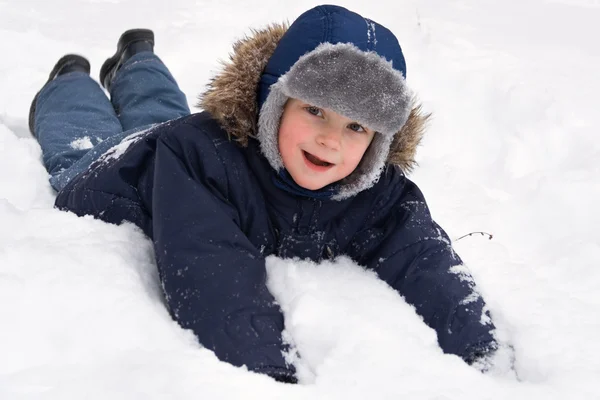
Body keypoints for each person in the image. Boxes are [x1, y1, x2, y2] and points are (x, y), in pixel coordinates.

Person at [29, 5, 500, 383]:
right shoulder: (203, 158)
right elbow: (211, 265)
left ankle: (136, 58)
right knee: (88, 133)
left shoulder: (374, 189)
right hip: (120, 171)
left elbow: (421, 255)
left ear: (379, 140)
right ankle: (68, 82)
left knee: (159, 110)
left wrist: (478, 346)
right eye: (315, 110)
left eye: (356, 125)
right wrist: (263, 370)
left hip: (170, 138)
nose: (330, 140)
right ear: (272, 102)